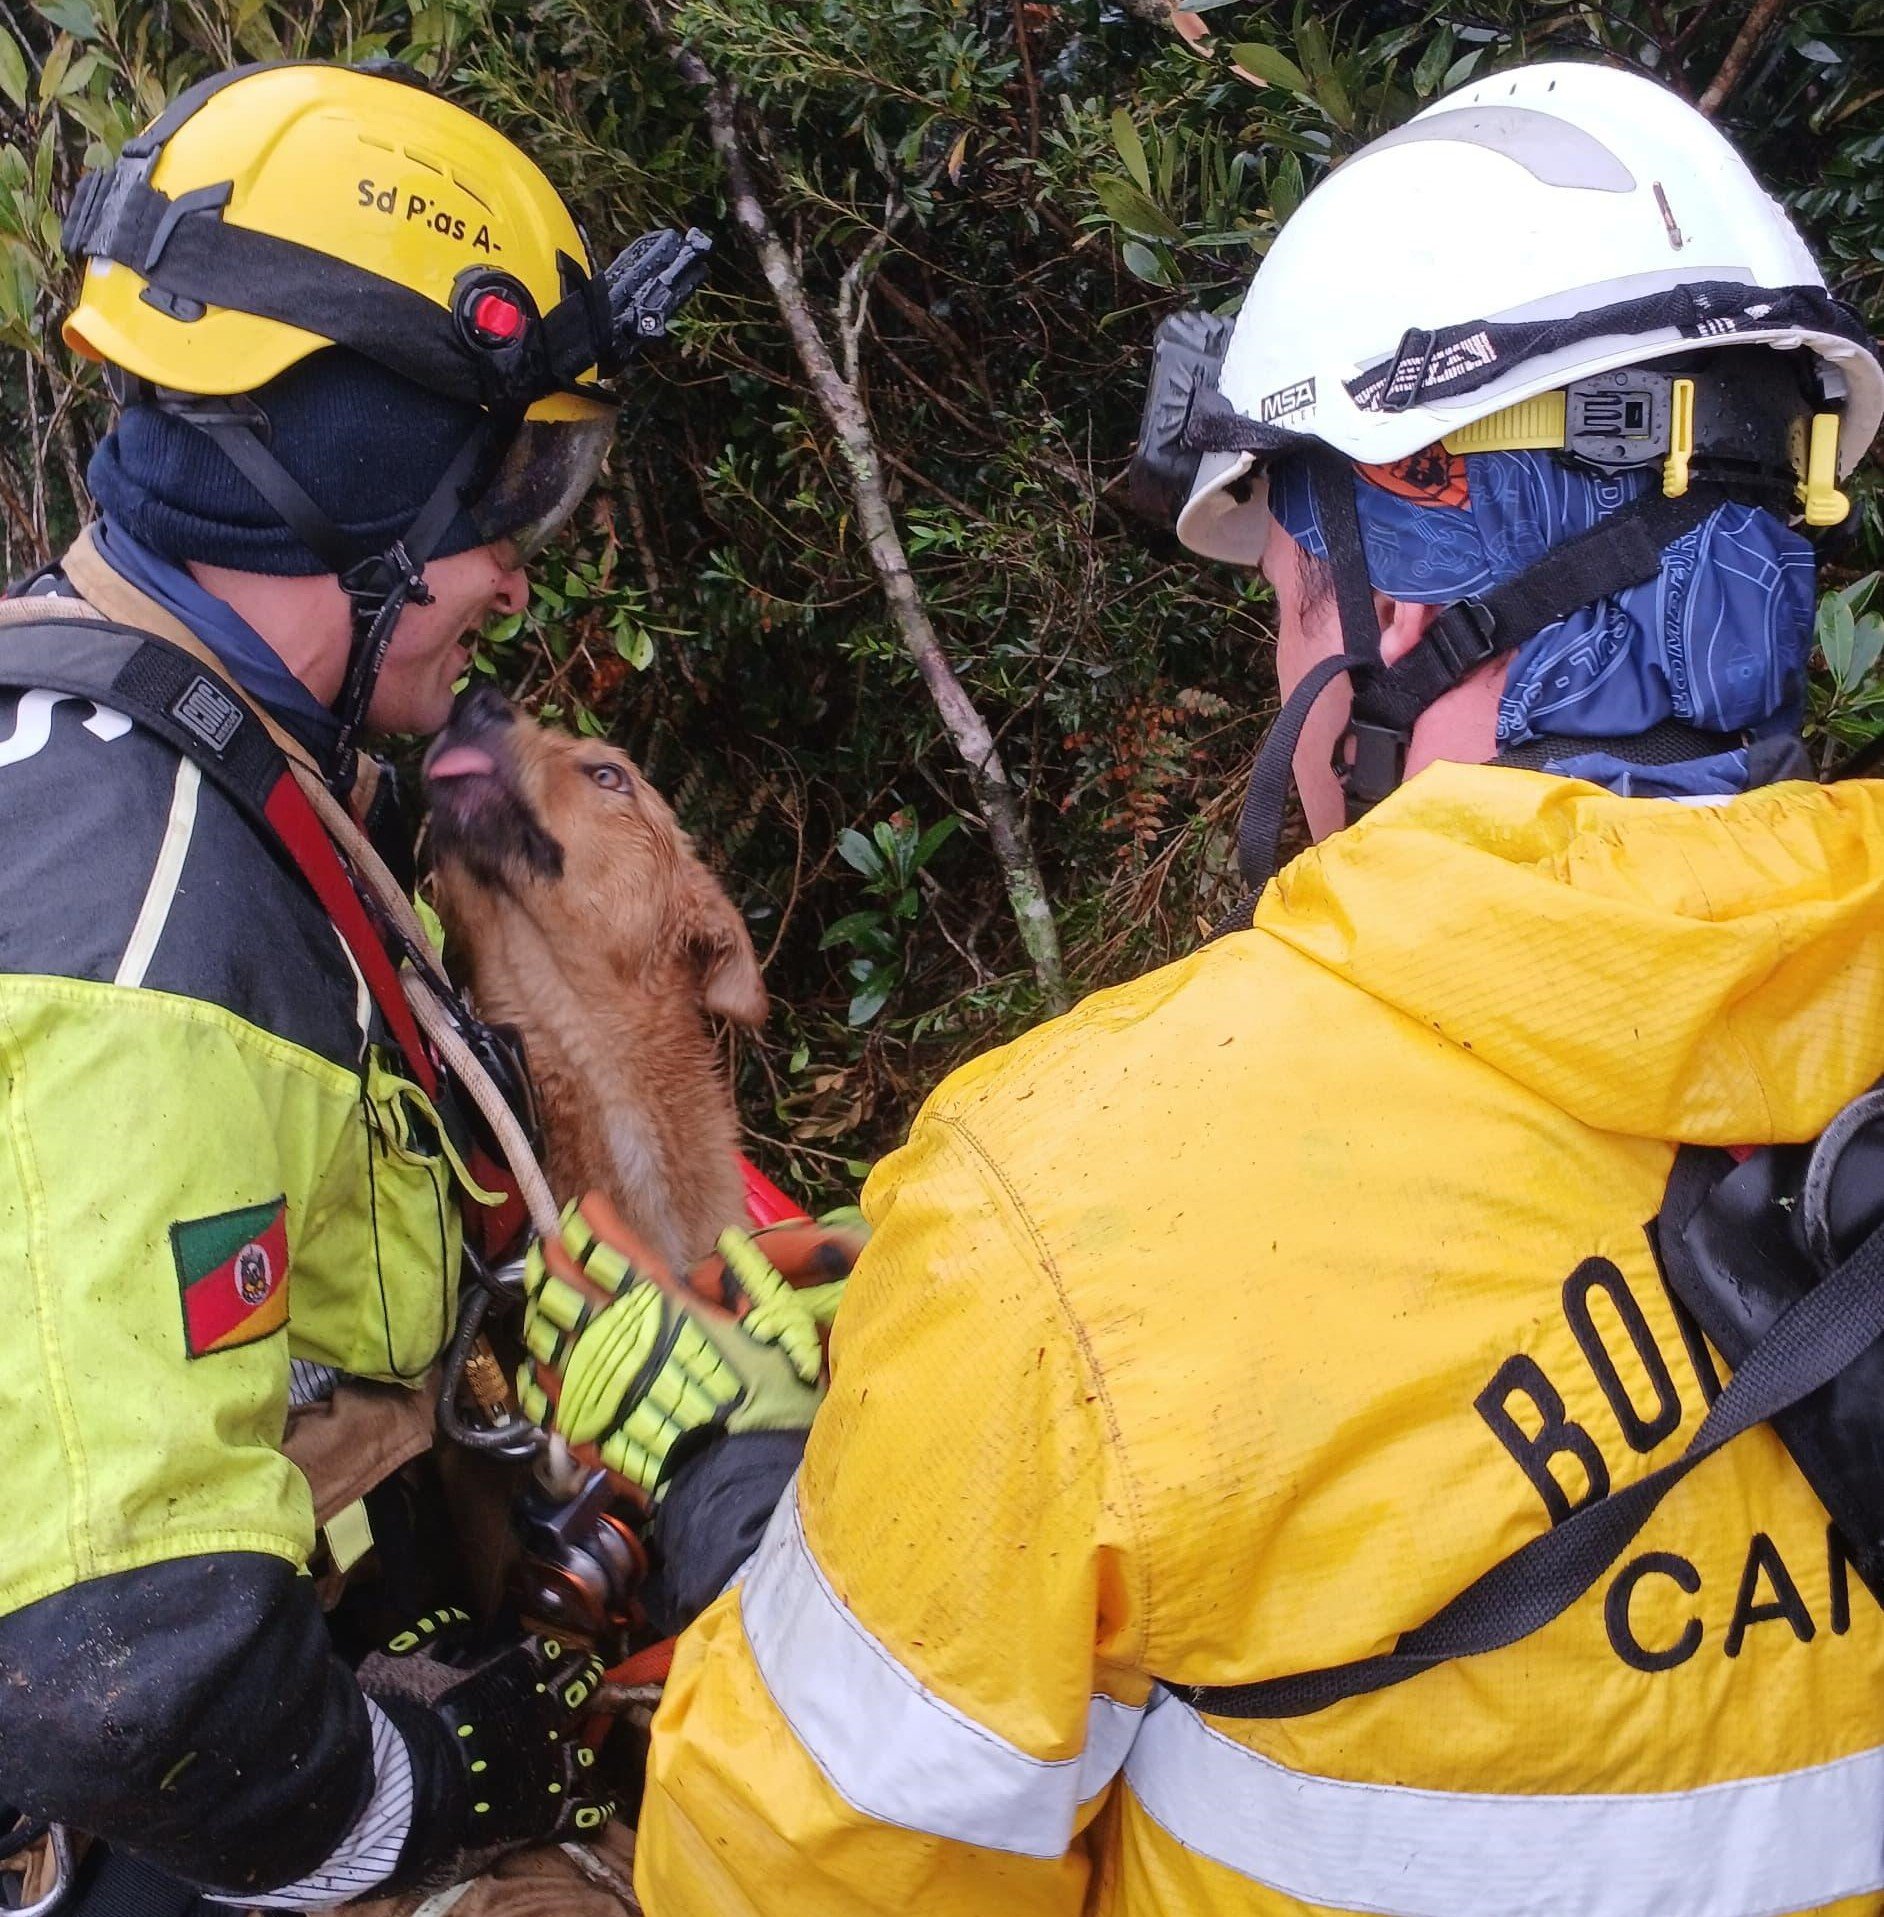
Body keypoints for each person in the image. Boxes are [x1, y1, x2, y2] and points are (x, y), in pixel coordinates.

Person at [515, 60, 1884, 1917]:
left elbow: (791, 1878)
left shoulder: (1066, 1216)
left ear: (1401, 589)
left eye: (1289, 602)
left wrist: (749, 1494)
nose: (1284, 668)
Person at [0, 58, 707, 1914]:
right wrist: (430, 1787)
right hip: (190, 1829)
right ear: (354, 484)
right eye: (514, 487)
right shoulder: (140, 912)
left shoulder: (173, 751)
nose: (514, 574)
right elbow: (119, 1663)